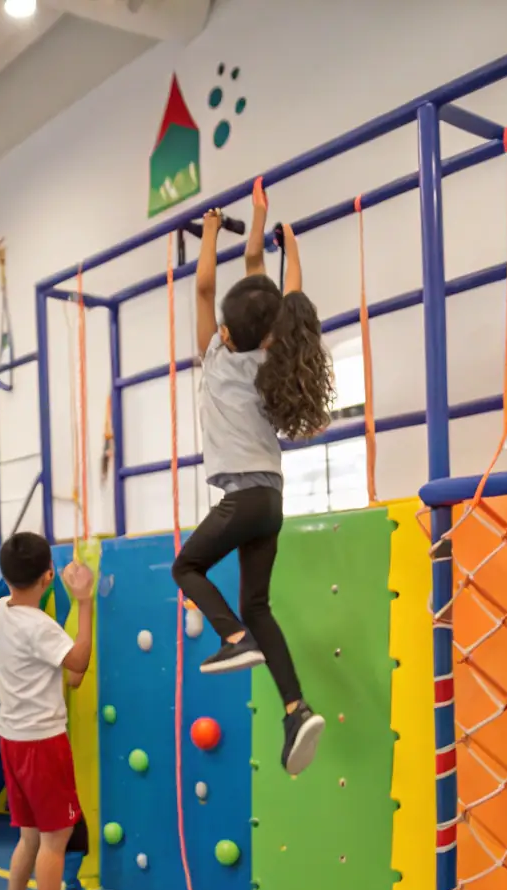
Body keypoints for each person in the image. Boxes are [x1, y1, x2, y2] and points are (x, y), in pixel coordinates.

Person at [171, 183, 334, 775]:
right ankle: (296, 709)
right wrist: (281, 239)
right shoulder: (275, 357)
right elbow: (279, 300)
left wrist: (213, 229)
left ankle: (233, 640)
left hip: (242, 497)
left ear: (228, 330)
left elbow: (208, 287)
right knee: (258, 604)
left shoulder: (215, 354)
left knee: (185, 567)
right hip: (272, 499)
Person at [0, 532, 100, 890]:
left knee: (29, 835)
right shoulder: (40, 627)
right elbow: (78, 662)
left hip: (12, 741)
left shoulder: (2, 611)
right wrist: (85, 601)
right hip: (42, 744)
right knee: (57, 837)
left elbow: (64, 673)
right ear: (49, 576)